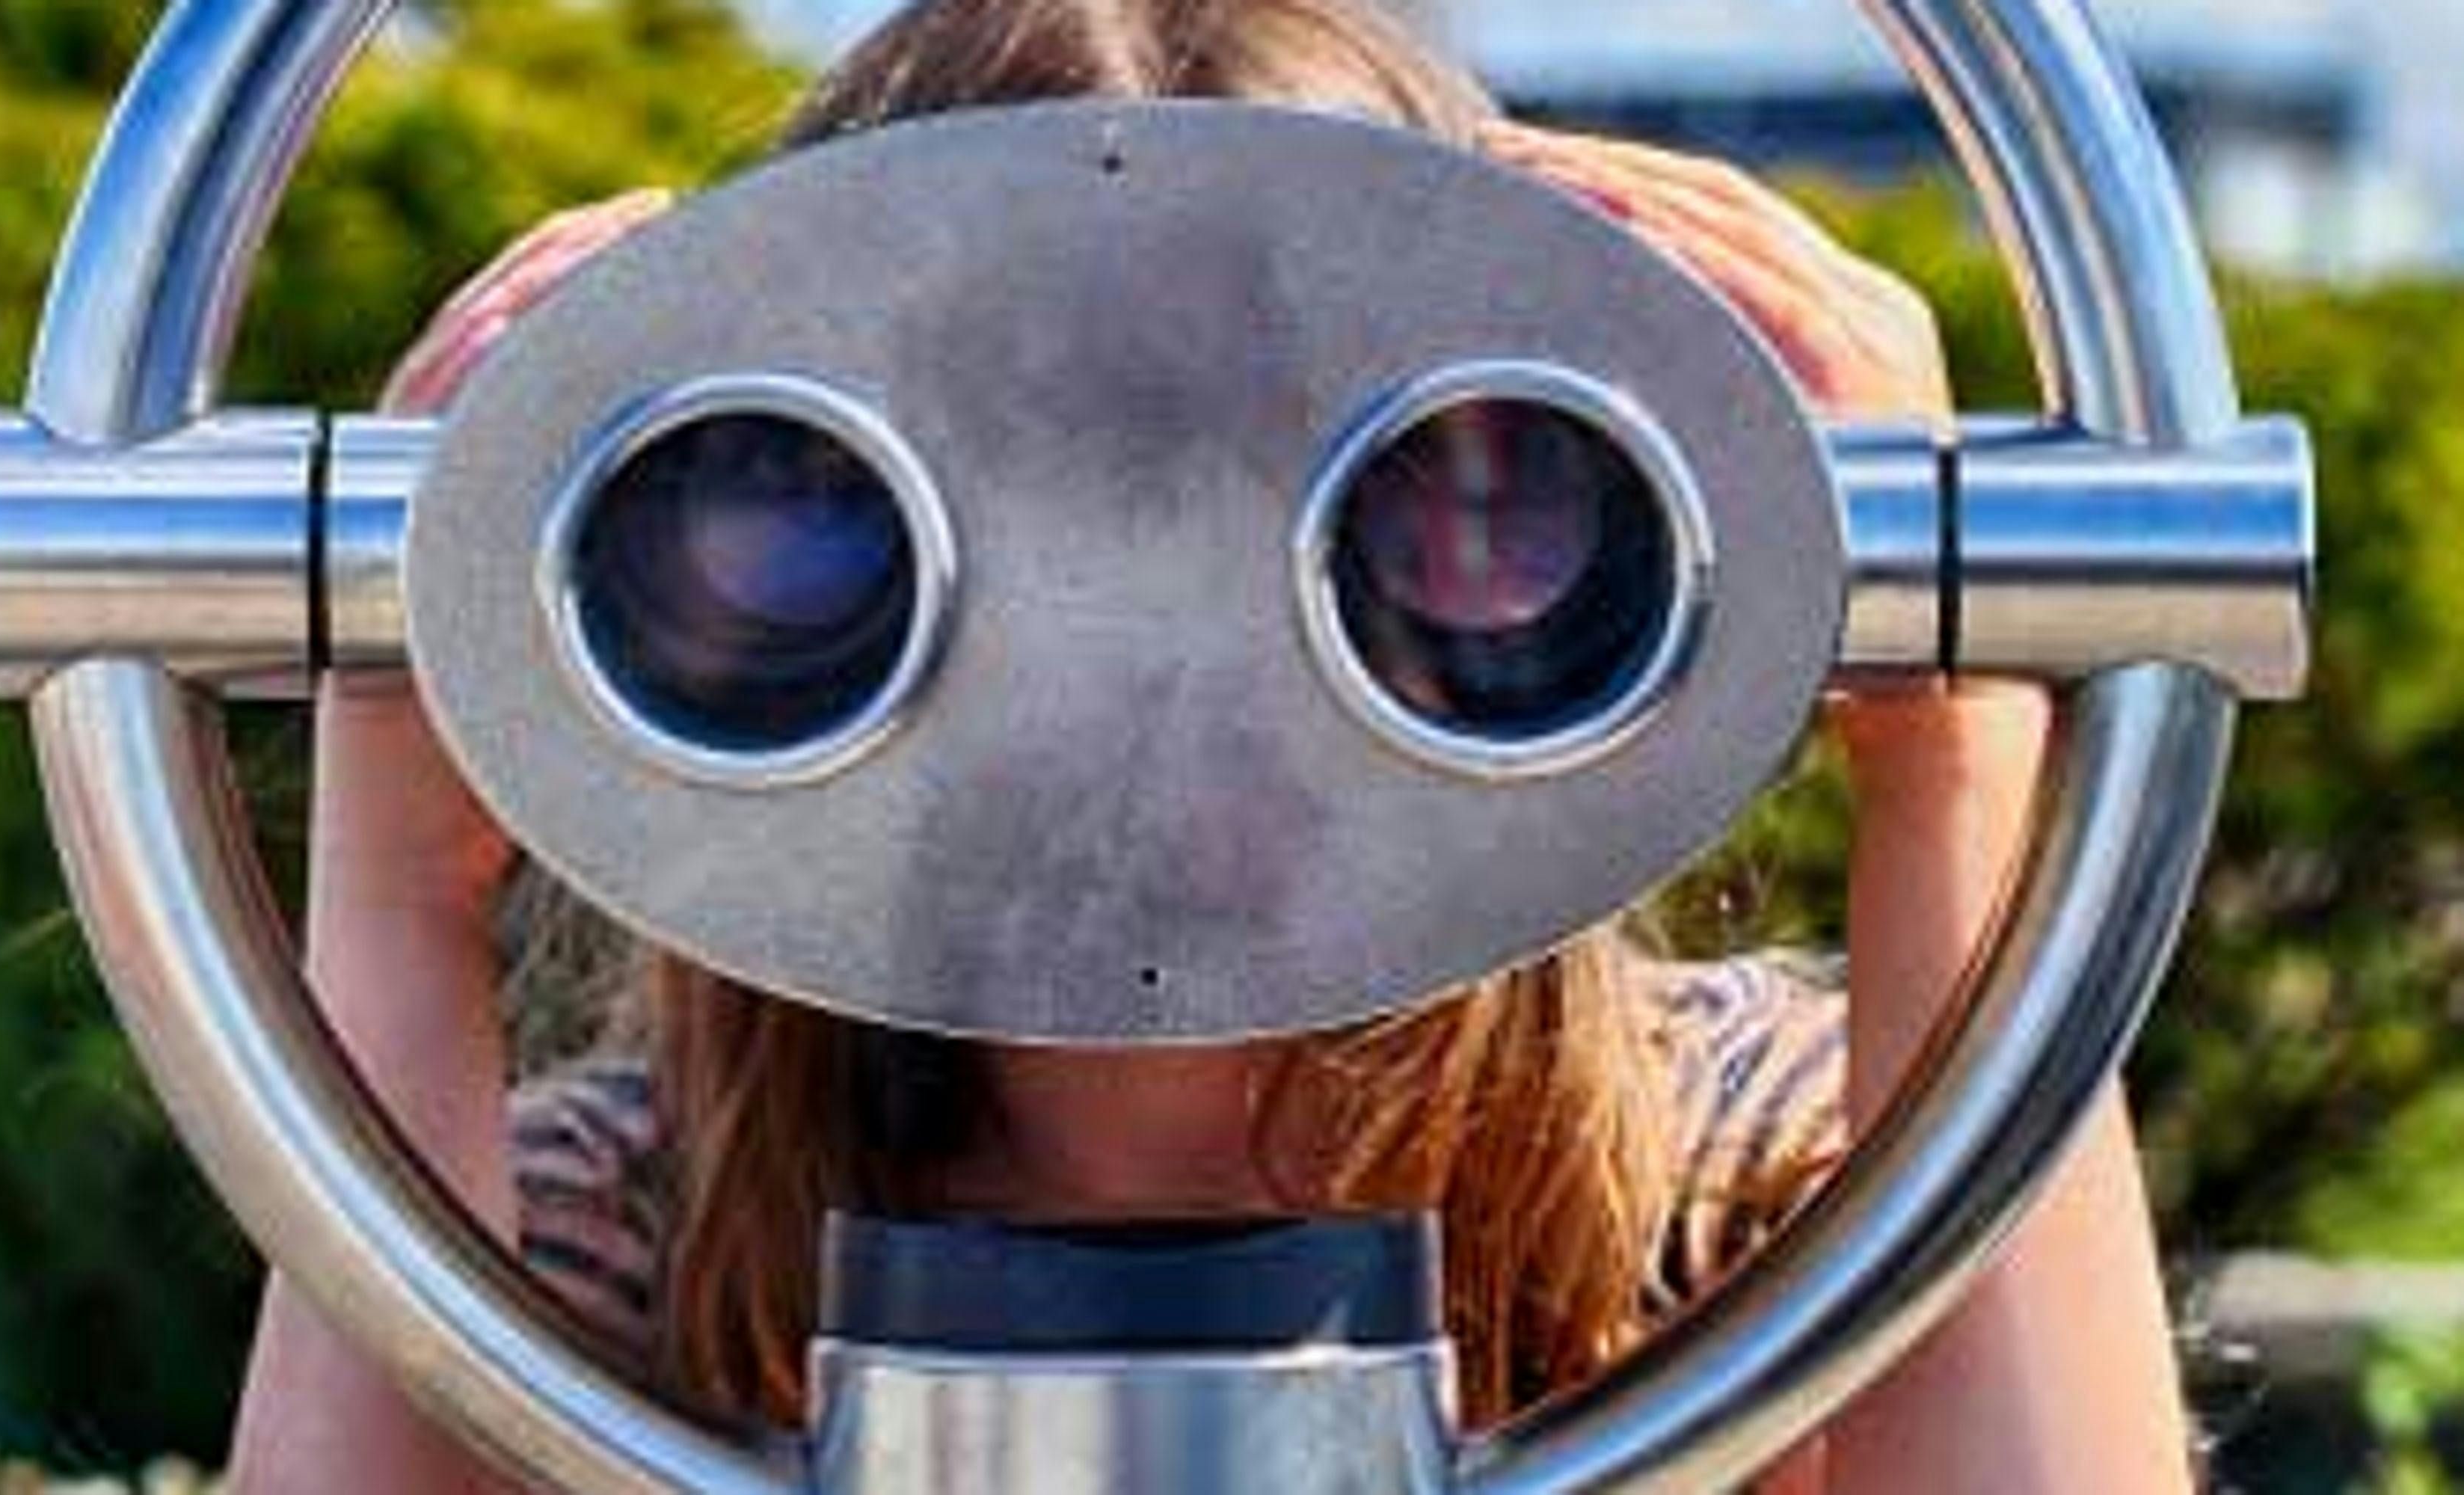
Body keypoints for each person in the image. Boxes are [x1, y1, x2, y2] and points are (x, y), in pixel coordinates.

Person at [227, 0, 2194, 1489]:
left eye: (1439, 491)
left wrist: (1949, 738)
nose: (1159, 663)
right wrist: (401, 847)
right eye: (852, 501)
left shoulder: (1744, 1166)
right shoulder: (625, 1222)